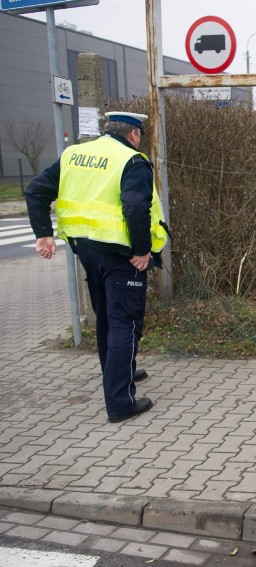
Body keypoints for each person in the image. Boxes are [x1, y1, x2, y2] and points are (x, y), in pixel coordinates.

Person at [25, 111, 168, 423]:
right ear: (134, 135)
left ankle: (119, 371)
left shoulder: (74, 154)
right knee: (124, 322)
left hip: (87, 251)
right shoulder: (131, 160)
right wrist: (143, 251)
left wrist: (43, 235)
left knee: (106, 317)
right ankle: (120, 402)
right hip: (121, 256)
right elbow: (134, 206)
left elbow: (35, 191)